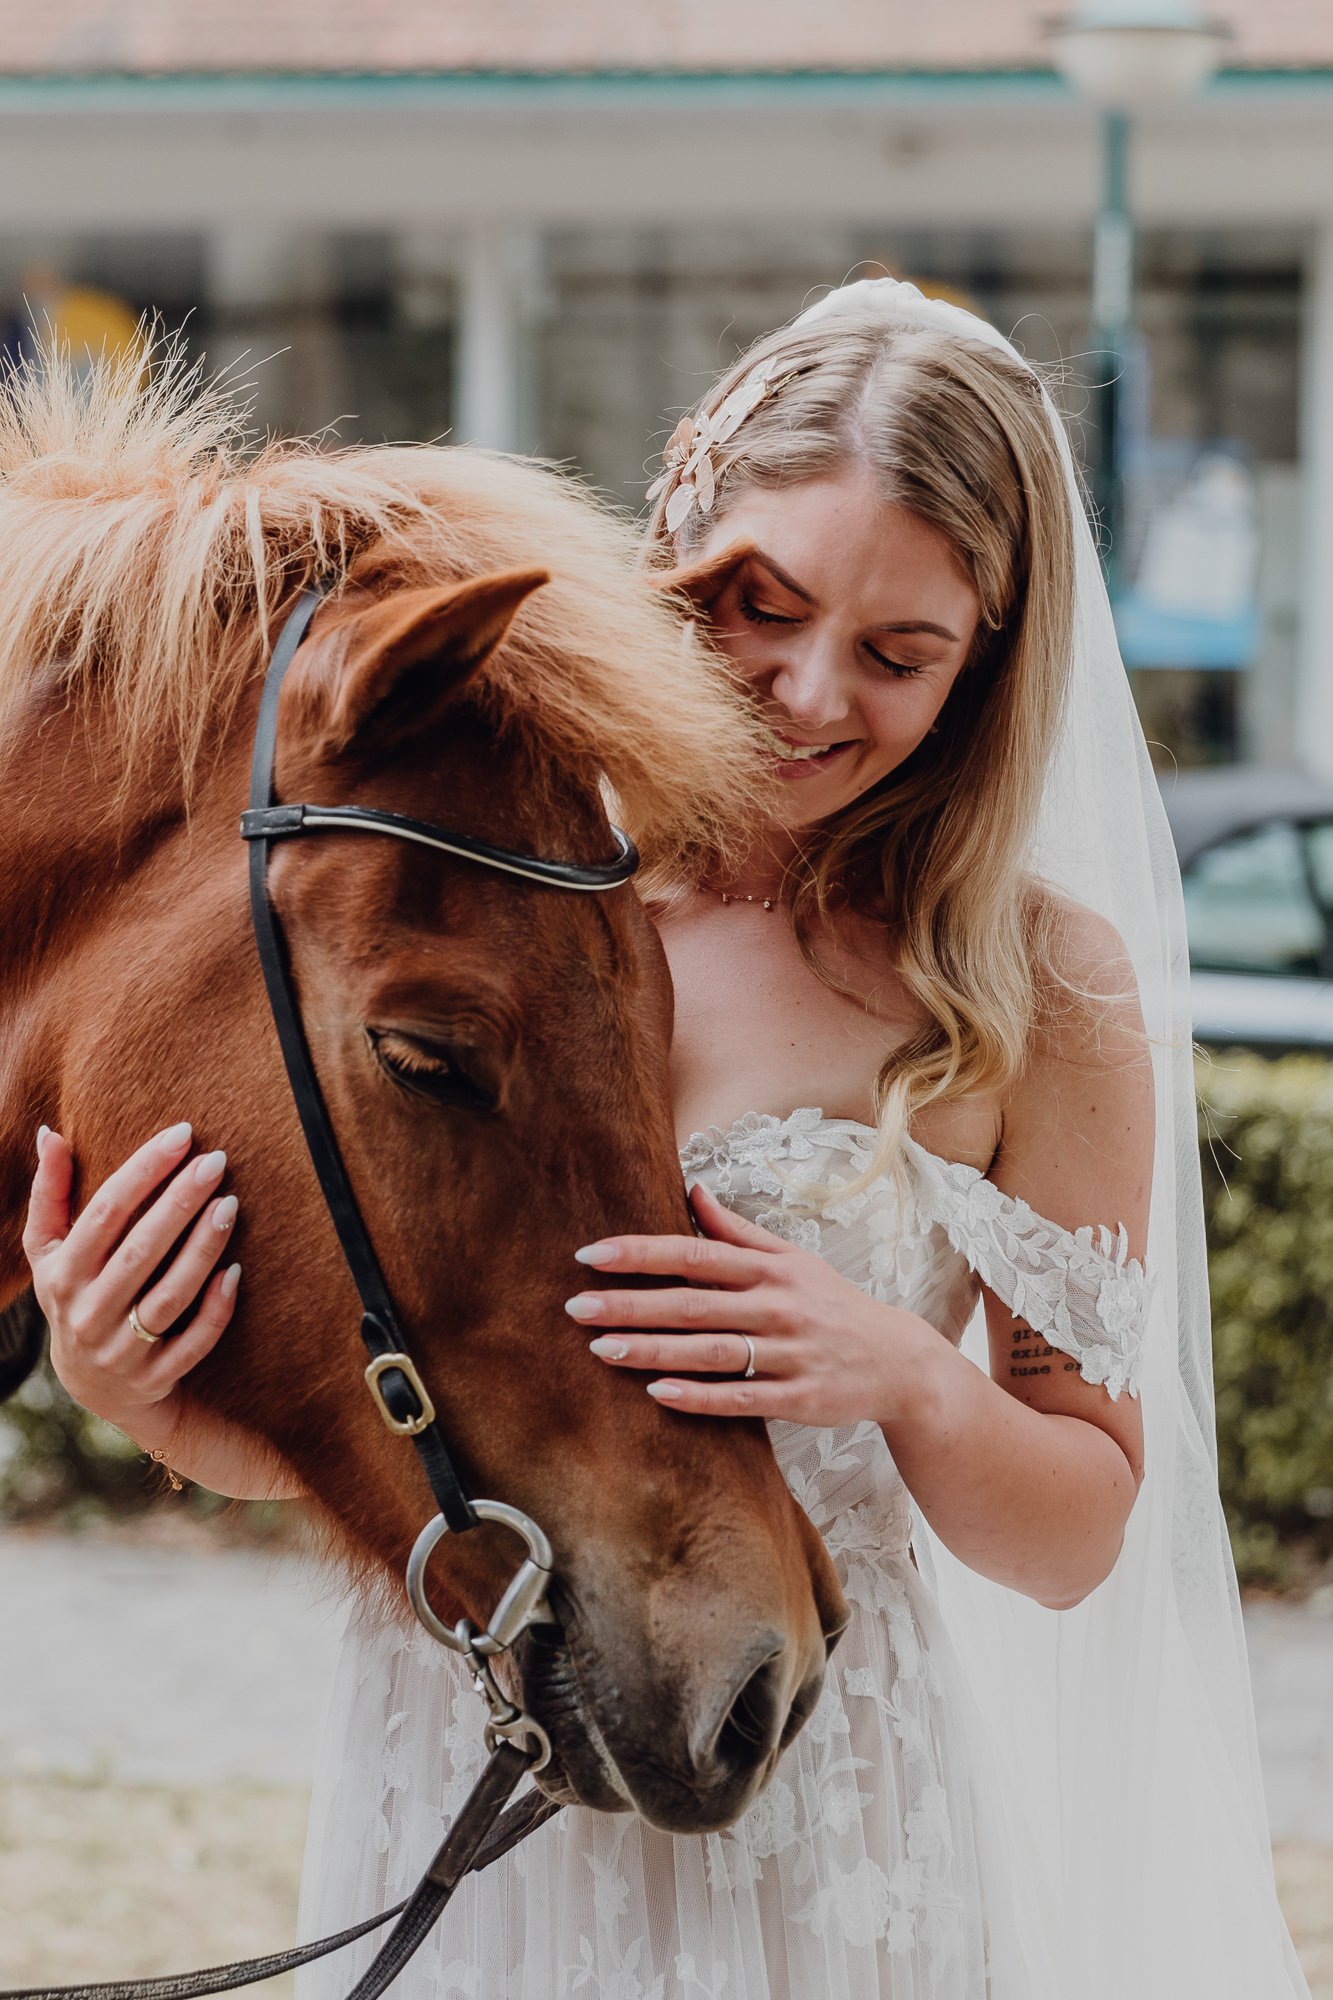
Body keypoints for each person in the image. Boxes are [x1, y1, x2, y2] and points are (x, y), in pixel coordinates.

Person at [22, 280, 1309, 2000]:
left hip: (822, 1802)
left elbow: (1081, 1533)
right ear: (675, 528)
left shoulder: (1030, 985)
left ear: (989, 664)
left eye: (898, 653)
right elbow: (437, 1405)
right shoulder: (506, 883)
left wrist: (904, 1377)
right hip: (456, 1761)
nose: (801, 693)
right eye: (754, 604)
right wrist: (148, 1397)